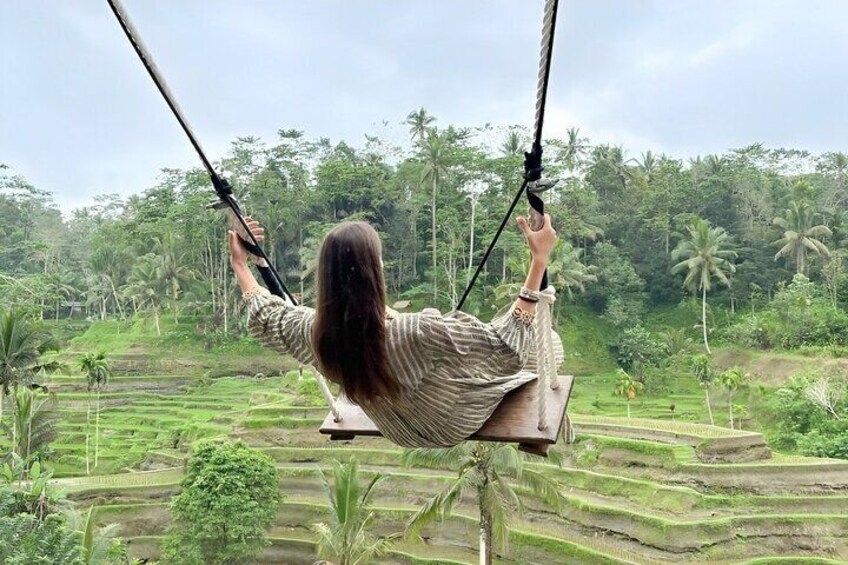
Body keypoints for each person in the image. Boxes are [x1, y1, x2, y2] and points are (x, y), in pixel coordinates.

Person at [229, 213, 559, 448]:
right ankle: (542, 436)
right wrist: (538, 261)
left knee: (469, 356)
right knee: (547, 347)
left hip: (398, 430)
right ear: (375, 271)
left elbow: (269, 314)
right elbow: (505, 348)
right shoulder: (418, 332)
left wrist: (244, 264)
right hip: (450, 422)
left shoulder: (316, 334)